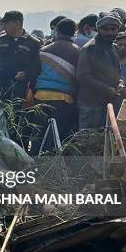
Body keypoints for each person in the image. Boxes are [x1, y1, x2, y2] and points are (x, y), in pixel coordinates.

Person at [30, 18, 80, 153]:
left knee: (37, 133)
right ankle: (49, 166)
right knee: (56, 136)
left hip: (41, 97)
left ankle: (31, 164)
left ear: (57, 31)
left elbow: (33, 74)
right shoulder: (78, 52)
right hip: (64, 100)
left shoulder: (43, 50)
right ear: (74, 32)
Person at [0, 11, 42, 102]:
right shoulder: (0, 41)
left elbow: (37, 68)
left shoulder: (33, 43)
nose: (3, 26)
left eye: (6, 24)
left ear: (17, 23)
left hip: (19, 92)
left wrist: (26, 74)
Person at [76, 13, 124, 130]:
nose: (110, 33)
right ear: (98, 29)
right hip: (91, 104)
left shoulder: (113, 48)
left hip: (109, 103)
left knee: (105, 142)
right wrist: (106, 89)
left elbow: (117, 73)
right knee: (88, 141)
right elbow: (82, 76)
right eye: (106, 29)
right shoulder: (90, 48)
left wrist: (121, 83)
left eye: (113, 29)